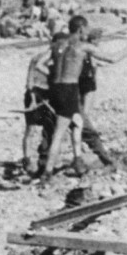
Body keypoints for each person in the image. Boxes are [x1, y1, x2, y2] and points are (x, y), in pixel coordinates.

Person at [75, 27, 127, 171]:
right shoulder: (86, 49)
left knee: (72, 126)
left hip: (73, 90)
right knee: (84, 126)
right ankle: (105, 160)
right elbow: (111, 58)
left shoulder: (70, 47)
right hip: (79, 90)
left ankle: (48, 162)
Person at [43, 15, 88, 181]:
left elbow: (40, 63)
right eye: (86, 29)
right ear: (81, 29)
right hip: (70, 89)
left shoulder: (57, 45)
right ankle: (47, 173)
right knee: (59, 133)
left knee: (78, 122)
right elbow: (112, 58)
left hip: (57, 88)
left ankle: (78, 161)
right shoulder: (82, 47)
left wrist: (53, 76)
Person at [22, 44, 54, 176]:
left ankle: (33, 158)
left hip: (43, 95)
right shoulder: (39, 59)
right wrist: (33, 99)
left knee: (38, 129)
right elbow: (30, 82)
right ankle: (28, 159)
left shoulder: (39, 57)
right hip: (37, 95)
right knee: (32, 129)